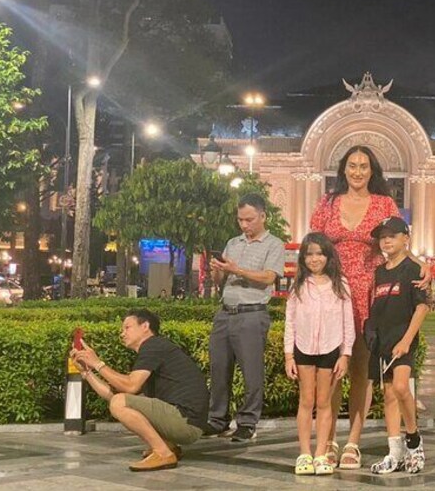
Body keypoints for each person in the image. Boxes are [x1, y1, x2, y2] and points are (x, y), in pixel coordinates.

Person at [308, 146, 401, 469]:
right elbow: (312, 248)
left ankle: (353, 442)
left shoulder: (384, 204)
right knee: (331, 371)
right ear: (343, 169)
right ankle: (329, 440)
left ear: (372, 170)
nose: (358, 171)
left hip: (369, 294)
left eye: (364, 166)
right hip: (331, 294)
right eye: (352, 165)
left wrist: (420, 266)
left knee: (361, 370)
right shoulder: (327, 203)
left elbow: (398, 245)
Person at [70, 309, 209, 472]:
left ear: (145, 326)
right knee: (119, 401)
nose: (122, 334)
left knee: (119, 403)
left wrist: (98, 363)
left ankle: (163, 453)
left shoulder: (153, 346)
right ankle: (169, 446)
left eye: (127, 327)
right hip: (187, 422)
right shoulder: (153, 350)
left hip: (185, 422)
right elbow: (115, 395)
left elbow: (130, 387)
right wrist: (87, 372)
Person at [205, 193, 285, 441]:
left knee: (251, 372)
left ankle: (247, 422)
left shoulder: (274, 244)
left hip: (252, 313)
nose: (244, 225)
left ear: (263, 216)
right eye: (240, 220)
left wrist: (236, 269)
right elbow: (220, 281)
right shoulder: (233, 243)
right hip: (225, 312)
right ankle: (217, 419)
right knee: (219, 369)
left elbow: (269, 277)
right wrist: (217, 271)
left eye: (249, 219)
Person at [284, 232, 355, 476]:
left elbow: (348, 322)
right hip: (303, 349)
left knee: (324, 402)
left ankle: (321, 453)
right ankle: (304, 453)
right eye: (309, 254)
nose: (314, 259)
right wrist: (289, 355)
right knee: (306, 401)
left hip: (330, 349)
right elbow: (290, 321)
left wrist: (345, 354)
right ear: (303, 258)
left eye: (319, 254)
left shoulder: (340, 284)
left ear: (328, 256)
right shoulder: (299, 285)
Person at [367, 217, 429, 475]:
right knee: (389, 394)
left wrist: (406, 340)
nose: (386, 241)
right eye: (383, 237)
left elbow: (422, 307)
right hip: (383, 341)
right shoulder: (379, 272)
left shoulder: (414, 270)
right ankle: (394, 451)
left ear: (406, 238)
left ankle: (413, 441)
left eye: (392, 236)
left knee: (402, 387)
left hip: (404, 340)